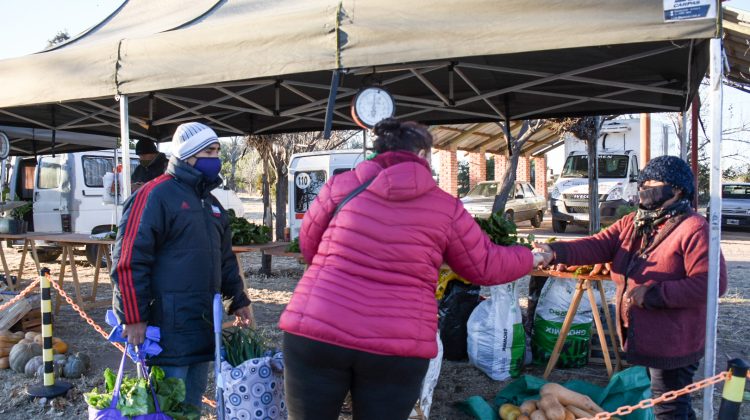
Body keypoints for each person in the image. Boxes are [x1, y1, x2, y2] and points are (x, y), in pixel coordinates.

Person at [278, 118, 551, 420]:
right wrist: (531, 258)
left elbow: (309, 246)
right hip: (396, 345)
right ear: (422, 155)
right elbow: (485, 265)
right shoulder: (446, 207)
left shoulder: (340, 187)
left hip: (318, 330)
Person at [534, 155, 727, 420]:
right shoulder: (636, 223)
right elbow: (597, 244)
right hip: (645, 338)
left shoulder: (694, 228)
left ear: (677, 189)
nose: (645, 187)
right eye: (643, 181)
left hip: (673, 342)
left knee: (670, 408)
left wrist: (654, 293)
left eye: (653, 182)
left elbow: (712, 283)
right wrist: (555, 251)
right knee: (662, 403)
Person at [111, 122, 254, 408]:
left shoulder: (212, 204)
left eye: (217, 151)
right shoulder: (154, 195)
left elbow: (225, 259)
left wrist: (239, 299)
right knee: (165, 407)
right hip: (167, 327)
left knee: (192, 406)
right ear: (188, 155)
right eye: (209, 151)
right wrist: (133, 315)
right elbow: (128, 259)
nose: (216, 158)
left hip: (202, 325)